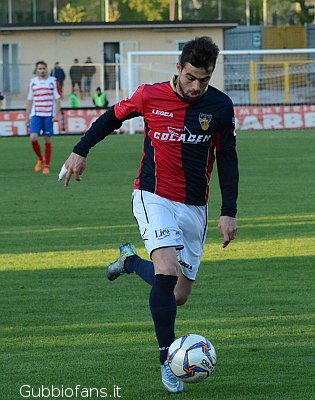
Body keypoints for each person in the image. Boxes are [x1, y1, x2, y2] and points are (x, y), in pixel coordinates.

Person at [60, 36, 239, 393]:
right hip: (152, 195)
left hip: (195, 207)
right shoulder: (149, 95)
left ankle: (129, 262)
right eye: (190, 77)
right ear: (179, 69)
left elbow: (228, 158)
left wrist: (228, 211)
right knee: (167, 272)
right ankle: (168, 361)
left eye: (204, 79)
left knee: (178, 294)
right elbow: (112, 117)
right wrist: (80, 150)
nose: (195, 86)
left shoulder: (220, 106)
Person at [26, 61, 61, 175]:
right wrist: (27, 117)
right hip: (36, 114)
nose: (42, 70)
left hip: (48, 115)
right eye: (40, 68)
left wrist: (56, 114)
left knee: (47, 138)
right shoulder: (32, 82)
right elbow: (30, 100)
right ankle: (41, 159)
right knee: (33, 137)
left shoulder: (53, 81)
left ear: (46, 69)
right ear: (36, 70)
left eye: (44, 68)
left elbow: (57, 99)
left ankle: (47, 166)